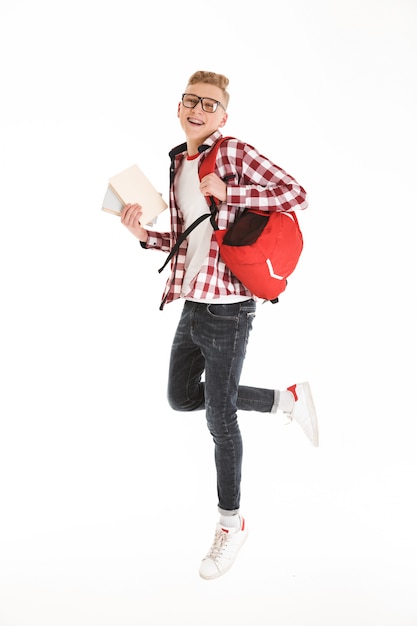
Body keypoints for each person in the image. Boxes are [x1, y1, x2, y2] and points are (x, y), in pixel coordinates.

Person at [120, 70, 318, 580]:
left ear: (223, 116)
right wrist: (145, 234)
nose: (198, 109)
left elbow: (296, 194)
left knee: (219, 419)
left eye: (209, 105)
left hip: (230, 308)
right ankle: (285, 400)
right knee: (182, 397)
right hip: (192, 304)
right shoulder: (178, 163)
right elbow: (190, 242)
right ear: (179, 107)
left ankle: (232, 523)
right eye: (191, 100)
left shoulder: (230, 153)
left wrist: (230, 193)